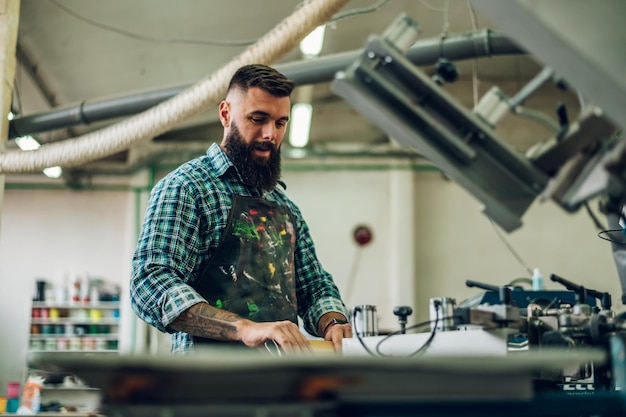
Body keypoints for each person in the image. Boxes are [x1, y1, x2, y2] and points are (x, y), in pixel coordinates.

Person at [130, 64, 352, 355]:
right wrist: (244, 328)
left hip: (284, 383)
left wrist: (333, 321)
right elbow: (151, 281)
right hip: (208, 386)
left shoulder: (286, 208)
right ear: (225, 114)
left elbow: (314, 286)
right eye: (258, 119)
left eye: (281, 123)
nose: (270, 134)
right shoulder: (187, 188)